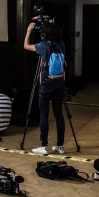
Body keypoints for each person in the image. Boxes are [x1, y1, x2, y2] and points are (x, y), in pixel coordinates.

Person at [24, 22, 66, 154]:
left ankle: (44, 146)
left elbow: (26, 46)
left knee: (44, 113)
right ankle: (60, 146)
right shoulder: (61, 44)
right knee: (59, 114)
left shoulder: (43, 45)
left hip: (46, 83)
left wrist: (29, 31)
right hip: (59, 82)